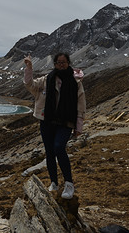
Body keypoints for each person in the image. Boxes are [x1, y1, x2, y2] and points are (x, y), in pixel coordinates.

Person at [23, 52, 86, 199]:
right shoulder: (47, 79)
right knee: (50, 152)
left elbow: (81, 105)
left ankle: (69, 184)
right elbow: (29, 85)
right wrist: (29, 69)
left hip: (65, 121)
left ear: (68, 63)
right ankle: (54, 183)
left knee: (59, 147)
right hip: (47, 120)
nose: (61, 65)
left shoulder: (76, 82)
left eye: (63, 62)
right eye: (58, 62)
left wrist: (78, 127)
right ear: (55, 64)